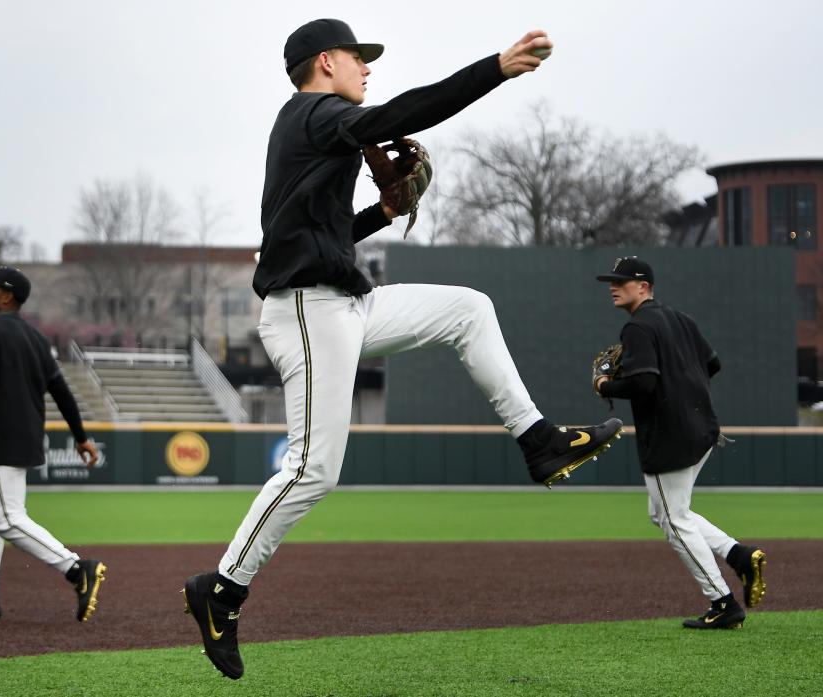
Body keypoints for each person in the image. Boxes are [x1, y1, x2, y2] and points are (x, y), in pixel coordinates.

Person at [181, 18, 621, 679]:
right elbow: (403, 111)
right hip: (307, 309)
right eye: (360, 57)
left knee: (469, 309)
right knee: (313, 470)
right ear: (325, 61)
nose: (367, 68)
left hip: (341, 300)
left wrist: (382, 214)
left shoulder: (315, 134)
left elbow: (321, 234)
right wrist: (492, 69)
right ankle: (221, 589)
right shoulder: (312, 113)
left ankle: (539, 442)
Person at [594, 256, 767, 630]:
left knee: (674, 519)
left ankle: (723, 602)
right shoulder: (680, 319)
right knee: (668, 513)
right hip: (702, 428)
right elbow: (712, 364)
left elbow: (644, 384)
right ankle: (738, 555)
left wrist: (605, 386)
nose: (613, 286)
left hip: (671, 436)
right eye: (612, 281)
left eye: (621, 281)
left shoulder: (638, 327)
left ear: (643, 287)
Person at [0, 265, 106, 623]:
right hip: (21, 437)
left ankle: (78, 569)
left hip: (2, 438)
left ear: (7, 296)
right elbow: (62, 391)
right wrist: (80, 437)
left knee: (7, 519)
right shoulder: (36, 339)